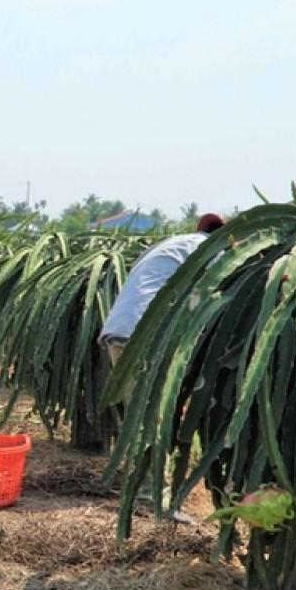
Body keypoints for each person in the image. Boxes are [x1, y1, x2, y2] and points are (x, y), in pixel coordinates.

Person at [99, 212, 224, 513]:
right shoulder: (214, 253)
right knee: (149, 420)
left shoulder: (175, 245)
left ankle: (144, 489)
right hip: (145, 334)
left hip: (123, 331)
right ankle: (149, 498)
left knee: (143, 415)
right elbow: (204, 303)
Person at [99, 213, 224, 365]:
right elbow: (213, 290)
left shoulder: (170, 244)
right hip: (146, 335)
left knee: (126, 388)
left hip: (119, 329)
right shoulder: (213, 249)